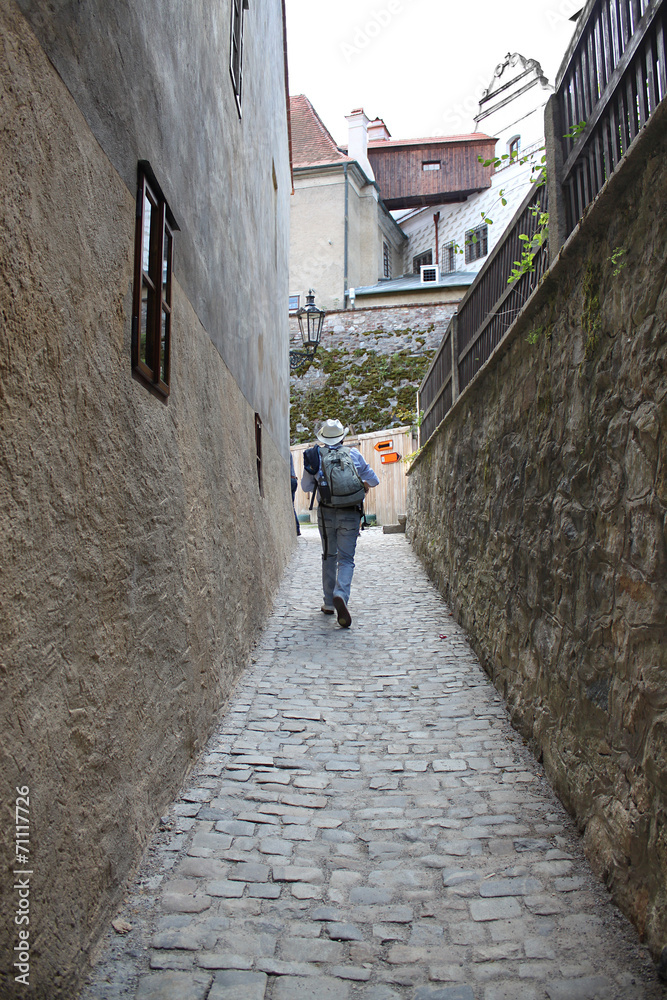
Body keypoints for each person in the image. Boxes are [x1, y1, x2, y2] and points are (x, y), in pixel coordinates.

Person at [301, 419, 379, 628]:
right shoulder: (353, 454)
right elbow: (374, 480)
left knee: (329, 556)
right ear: (342, 437)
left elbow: (306, 487)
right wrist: (361, 484)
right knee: (346, 559)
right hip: (350, 514)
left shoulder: (314, 456)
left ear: (323, 438)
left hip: (326, 514)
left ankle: (328, 603)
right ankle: (341, 594)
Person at [290, 452, 301, 536]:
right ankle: (297, 529)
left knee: (291, 506)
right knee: (291, 506)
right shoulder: (289, 452)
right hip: (294, 479)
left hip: (290, 479)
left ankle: (297, 528)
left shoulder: (286, 452)